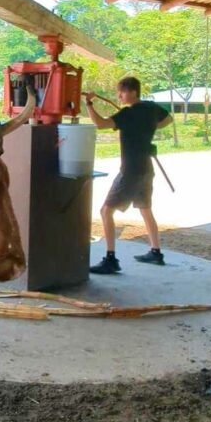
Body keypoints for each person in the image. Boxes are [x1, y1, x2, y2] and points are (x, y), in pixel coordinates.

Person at [83, 76, 172, 274]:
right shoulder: (151, 108)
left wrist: (88, 103)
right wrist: (148, 129)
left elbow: (100, 123)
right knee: (145, 208)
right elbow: (169, 119)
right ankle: (156, 252)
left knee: (106, 211)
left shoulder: (128, 113)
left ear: (132, 92)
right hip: (146, 169)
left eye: (121, 92)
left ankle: (110, 259)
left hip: (130, 171)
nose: (119, 96)